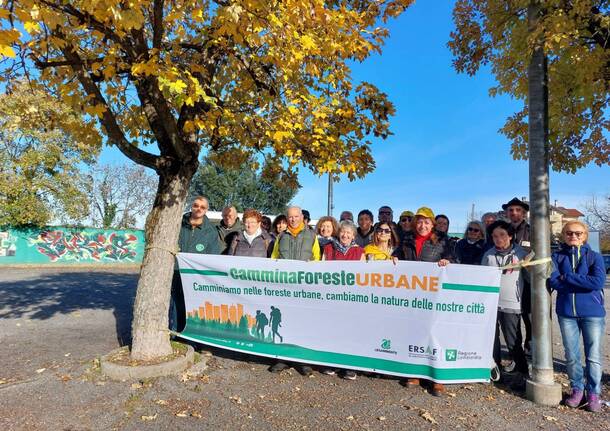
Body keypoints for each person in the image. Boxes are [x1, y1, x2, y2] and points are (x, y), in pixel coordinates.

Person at [548, 221, 606, 412]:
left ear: (585, 235)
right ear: (563, 235)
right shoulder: (555, 257)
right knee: (572, 356)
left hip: (593, 314)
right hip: (567, 313)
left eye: (578, 233)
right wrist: (576, 281)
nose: (574, 236)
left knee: (594, 356)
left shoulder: (594, 257)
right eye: (569, 233)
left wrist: (568, 277)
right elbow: (555, 282)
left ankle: (594, 393)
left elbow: (597, 282)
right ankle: (577, 389)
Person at [394, 207, 452, 396]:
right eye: (419, 221)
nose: (422, 225)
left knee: (435, 333)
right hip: (412, 295)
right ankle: (415, 372)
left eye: (426, 222)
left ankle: (436, 378)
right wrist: (394, 257)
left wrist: (448, 261)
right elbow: (397, 255)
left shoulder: (443, 240)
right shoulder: (407, 239)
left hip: (434, 295)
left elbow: (453, 258)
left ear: (432, 224)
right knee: (414, 332)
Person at [269, 206, 320, 375]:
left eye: (296, 216)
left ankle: (303, 360)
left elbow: (317, 261)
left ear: (301, 217)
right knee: (284, 323)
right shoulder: (281, 236)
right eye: (290, 217)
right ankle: (282, 359)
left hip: (304, 289)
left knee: (303, 323)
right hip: (284, 287)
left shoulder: (312, 236)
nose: (293, 219)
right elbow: (274, 259)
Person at [481, 220, 529, 390]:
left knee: (513, 340)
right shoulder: (488, 255)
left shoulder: (521, 253)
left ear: (510, 236)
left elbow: (530, 276)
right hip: (491, 304)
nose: (498, 238)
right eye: (494, 236)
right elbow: (482, 278)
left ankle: (522, 373)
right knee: (491, 339)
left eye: (502, 235)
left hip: (511, 303)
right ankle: (495, 370)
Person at [170, 196, 222, 332]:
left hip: (197, 276)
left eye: (202, 207)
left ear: (206, 210)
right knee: (176, 304)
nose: (199, 209)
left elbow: (213, 257)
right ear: (191, 206)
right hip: (176, 272)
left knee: (195, 307)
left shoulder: (210, 231)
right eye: (196, 205)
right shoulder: (178, 224)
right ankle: (176, 333)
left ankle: (194, 336)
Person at [321, 221, 364, 380]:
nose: (345, 235)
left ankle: (350, 366)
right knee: (332, 329)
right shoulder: (328, 248)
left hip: (351, 299)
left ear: (353, 235)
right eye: (343, 232)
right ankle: (332, 362)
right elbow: (322, 272)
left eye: (349, 233)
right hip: (332, 297)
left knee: (350, 331)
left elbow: (363, 278)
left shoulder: (360, 252)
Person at [502, 197, 532, 356]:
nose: (514, 213)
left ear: (524, 213)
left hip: (528, 283)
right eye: (511, 210)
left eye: (518, 210)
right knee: (511, 322)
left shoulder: (532, 231)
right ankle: (516, 356)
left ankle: (530, 354)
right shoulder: (503, 231)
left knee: (531, 320)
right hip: (508, 283)